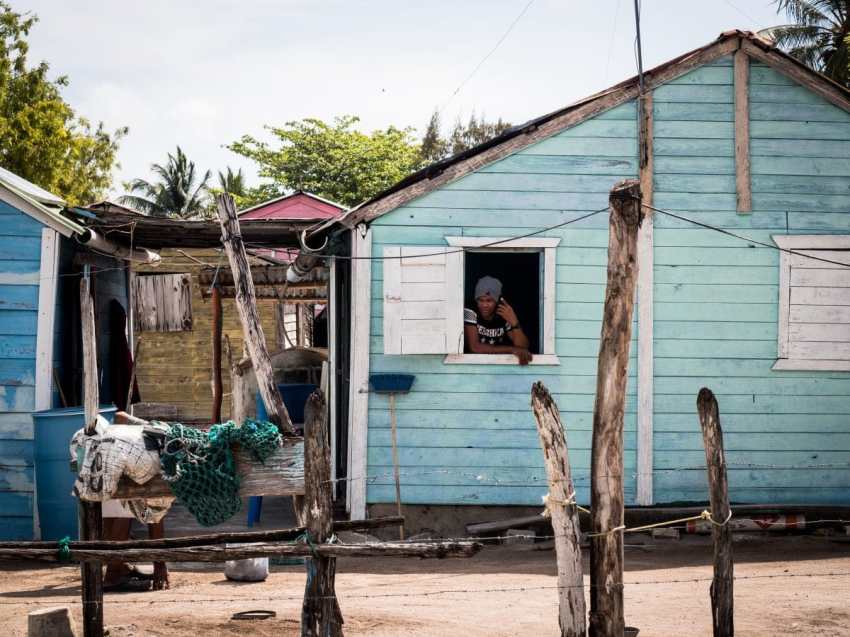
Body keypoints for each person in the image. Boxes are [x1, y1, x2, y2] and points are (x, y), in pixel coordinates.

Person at [464, 276, 533, 365]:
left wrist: (514, 322)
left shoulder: (503, 313)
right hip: (474, 366)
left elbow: (523, 347)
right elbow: (475, 347)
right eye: (480, 300)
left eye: (489, 300)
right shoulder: (471, 310)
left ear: (497, 301)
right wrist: (512, 349)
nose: (484, 305)